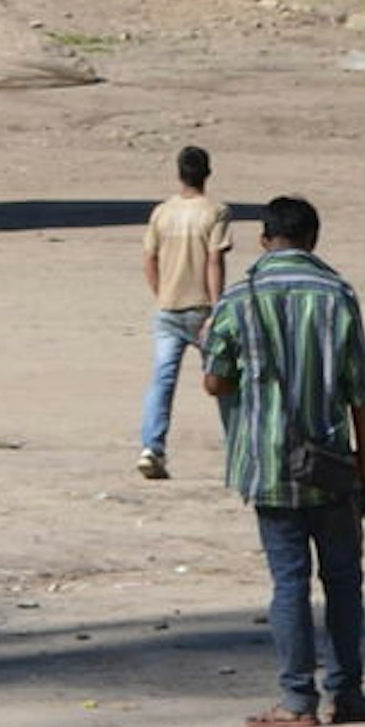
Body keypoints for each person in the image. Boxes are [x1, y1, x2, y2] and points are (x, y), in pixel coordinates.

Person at [201, 194, 365, 727]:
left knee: (289, 582)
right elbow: (359, 389)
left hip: (267, 463)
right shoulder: (337, 294)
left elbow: (214, 379)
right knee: (344, 580)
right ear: (313, 239)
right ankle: (347, 692)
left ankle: (296, 700)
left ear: (266, 239)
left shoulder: (240, 296)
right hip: (331, 463)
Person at [138, 145, 226, 482]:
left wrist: (161, 292)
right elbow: (215, 260)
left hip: (168, 309)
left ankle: (152, 447)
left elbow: (149, 258)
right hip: (202, 308)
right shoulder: (215, 212)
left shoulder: (162, 213)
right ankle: (239, 448)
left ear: (179, 174)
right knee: (225, 381)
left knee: (162, 380)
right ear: (207, 173)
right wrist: (218, 308)